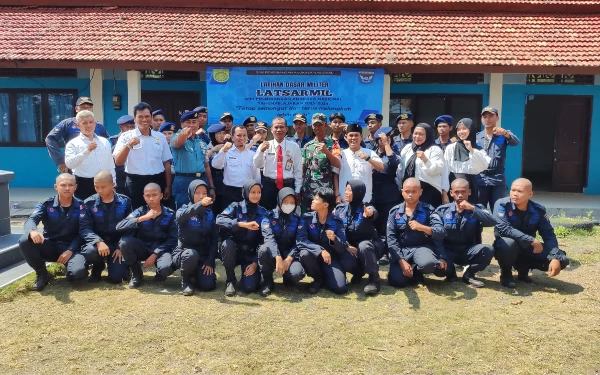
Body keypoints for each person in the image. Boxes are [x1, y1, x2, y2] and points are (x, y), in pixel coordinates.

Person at [493, 178, 569, 288]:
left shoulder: (538, 210)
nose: (515, 194)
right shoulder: (502, 204)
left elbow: (548, 234)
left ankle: (523, 270)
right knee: (507, 244)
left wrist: (555, 257)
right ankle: (506, 274)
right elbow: (504, 228)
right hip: (508, 247)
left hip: (528, 248)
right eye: (513, 190)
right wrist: (532, 240)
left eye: (519, 191)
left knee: (563, 259)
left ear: (530, 194)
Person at [18, 174, 88, 291]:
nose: (67, 188)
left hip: (72, 248)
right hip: (50, 245)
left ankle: (71, 268)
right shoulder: (46, 204)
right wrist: (33, 231)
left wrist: (70, 250)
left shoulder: (82, 206)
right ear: (56, 186)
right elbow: (31, 219)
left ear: (75, 187)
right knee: (25, 240)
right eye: (63, 185)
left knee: (78, 275)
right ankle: (42, 274)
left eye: (70, 185)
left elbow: (84, 232)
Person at [434, 178, 496, 288]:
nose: (460, 195)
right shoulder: (442, 210)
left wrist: (472, 209)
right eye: (457, 192)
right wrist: (441, 256)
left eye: (463, 191)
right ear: (451, 193)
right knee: (438, 270)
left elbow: (492, 221)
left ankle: (469, 274)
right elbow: (436, 235)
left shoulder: (477, 208)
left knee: (488, 250)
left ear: (469, 192)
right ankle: (450, 272)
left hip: (468, 250)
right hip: (448, 251)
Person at [386, 178, 447, 287]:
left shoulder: (429, 209)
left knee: (428, 264)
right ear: (402, 192)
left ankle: (418, 271)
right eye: (407, 191)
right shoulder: (394, 212)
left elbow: (441, 232)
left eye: (414, 191)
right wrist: (401, 261)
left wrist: (423, 228)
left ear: (420, 192)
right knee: (398, 282)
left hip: (421, 248)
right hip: (401, 250)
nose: (410, 195)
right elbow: (391, 239)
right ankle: (407, 271)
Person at [113, 102, 173, 210]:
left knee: (158, 212)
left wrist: (168, 186)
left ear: (151, 118)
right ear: (135, 119)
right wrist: (128, 146)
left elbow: (166, 163)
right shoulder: (126, 137)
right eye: (140, 117)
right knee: (137, 213)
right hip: (135, 182)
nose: (144, 120)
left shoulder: (160, 137)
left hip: (157, 180)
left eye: (147, 116)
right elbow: (118, 162)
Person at [116, 183, 177, 288]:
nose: (151, 198)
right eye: (148, 196)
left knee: (166, 268)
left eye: (154, 195)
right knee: (125, 243)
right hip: (143, 247)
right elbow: (119, 226)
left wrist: (155, 254)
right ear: (144, 197)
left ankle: (160, 272)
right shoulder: (140, 211)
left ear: (161, 196)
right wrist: (143, 218)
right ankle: (137, 274)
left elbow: (173, 239)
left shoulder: (170, 214)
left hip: (161, 249)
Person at [216, 180, 268, 296]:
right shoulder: (235, 206)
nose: (256, 195)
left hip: (251, 253)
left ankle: (249, 277)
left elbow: (265, 239)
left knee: (249, 287)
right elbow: (219, 220)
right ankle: (230, 280)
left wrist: (255, 263)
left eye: (258, 192)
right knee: (227, 244)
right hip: (234, 251)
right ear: (245, 192)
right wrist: (241, 224)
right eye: (252, 192)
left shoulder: (263, 212)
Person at [79, 171, 132, 284]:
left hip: (117, 244)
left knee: (117, 278)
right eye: (96, 187)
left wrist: (121, 247)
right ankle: (97, 267)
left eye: (103, 187)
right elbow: (84, 228)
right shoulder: (89, 203)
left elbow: (131, 227)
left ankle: (124, 267)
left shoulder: (125, 202)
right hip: (98, 245)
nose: (99, 190)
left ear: (112, 185)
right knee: (89, 251)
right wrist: (98, 242)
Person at [297, 187, 350, 294]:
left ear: (325, 205)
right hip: (313, 256)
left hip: (330, 259)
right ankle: (317, 279)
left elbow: (343, 247)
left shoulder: (337, 221)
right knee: (304, 254)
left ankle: (327, 276)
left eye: (316, 199)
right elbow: (300, 240)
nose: (313, 201)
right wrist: (320, 250)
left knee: (341, 288)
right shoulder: (306, 218)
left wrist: (335, 239)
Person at [333, 180, 383, 295]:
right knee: (342, 255)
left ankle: (374, 279)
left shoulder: (367, 206)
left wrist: (369, 214)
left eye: (350, 190)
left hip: (370, 247)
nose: (346, 192)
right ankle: (358, 272)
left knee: (363, 246)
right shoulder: (340, 209)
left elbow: (373, 213)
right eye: (346, 189)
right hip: (351, 248)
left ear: (358, 192)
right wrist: (346, 246)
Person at [172, 180, 218, 295]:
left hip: (203, 255)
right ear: (191, 194)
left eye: (204, 193)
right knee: (192, 254)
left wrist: (210, 260)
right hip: (185, 253)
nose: (201, 196)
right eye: (197, 193)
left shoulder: (210, 213)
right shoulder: (182, 210)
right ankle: (186, 280)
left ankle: (196, 275)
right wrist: (200, 204)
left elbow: (214, 239)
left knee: (208, 285)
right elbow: (182, 216)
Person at [257, 188, 305, 296]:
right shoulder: (268, 216)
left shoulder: (298, 219)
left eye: (292, 202)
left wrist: (288, 259)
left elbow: (299, 241)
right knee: (263, 249)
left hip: (289, 254)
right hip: (273, 254)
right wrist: (277, 256)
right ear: (279, 201)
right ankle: (268, 281)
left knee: (297, 273)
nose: (289, 205)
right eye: (286, 201)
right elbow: (268, 238)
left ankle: (288, 277)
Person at [45, 96, 109, 173]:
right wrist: (61, 160)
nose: (86, 109)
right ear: (76, 109)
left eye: (89, 107)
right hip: (75, 167)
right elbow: (50, 139)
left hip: (95, 167)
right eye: (83, 107)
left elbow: (107, 144)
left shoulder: (99, 126)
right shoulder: (67, 124)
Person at [64, 110, 116, 201]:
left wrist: (113, 183)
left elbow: (110, 164)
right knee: (84, 212)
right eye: (84, 123)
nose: (88, 125)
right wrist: (87, 151)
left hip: (104, 183)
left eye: (91, 122)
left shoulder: (104, 142)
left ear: (95, 123)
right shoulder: (73, 143)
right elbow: (70, 164)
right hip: (83, 184)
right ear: (78, 125)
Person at [476, 106, 521, 210]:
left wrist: (505, 133)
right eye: (485, 117)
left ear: (497, 118)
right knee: (479, 210)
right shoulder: (477, 137)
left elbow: (516, 142)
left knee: (499, 210)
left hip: (497, 179)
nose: (487, 119)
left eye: (491, 116)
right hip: (480, 178)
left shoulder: (503, 135)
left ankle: (499, 227)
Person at [253, 117, 302, 210]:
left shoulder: (294, 147)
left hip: (287, 185)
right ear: (271, 130)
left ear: (286, 129)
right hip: (269, 186)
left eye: (281, 127)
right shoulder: (264, 145)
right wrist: (261, 152)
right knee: (267, 215)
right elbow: (257, 165)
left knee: (288, 213)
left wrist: (298, 189)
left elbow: (298, 170)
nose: (279, 130)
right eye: (276, 127)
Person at [170, 110, 215, 209]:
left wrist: (211, 187)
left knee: (203, 211)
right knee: (184, 212)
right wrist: (184, 134)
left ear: (198, 124)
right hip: (184, 181)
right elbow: (178, 142)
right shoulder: (176, 137)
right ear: (182, 124)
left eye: (194, 122)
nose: (191, 125)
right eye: (188, 122)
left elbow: (206, 166)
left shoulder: (202, 142)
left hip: (201, 180)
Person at [371, 127, 402, 266]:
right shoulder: (372, 153)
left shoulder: (394, 154)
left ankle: (387, 253)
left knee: (386, 226)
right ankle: (378, 251)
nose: (384, 141)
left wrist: (387, 146)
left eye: (387, 139)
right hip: (374, 195)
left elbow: (392, 166)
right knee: (376, 226)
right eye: (381, 139)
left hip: (389, 195)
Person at [211, 126, 261, 211]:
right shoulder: (226, 152)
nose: (242, 138)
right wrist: (223, 150)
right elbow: (215, 165)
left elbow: (256, 176)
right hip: (230, 192)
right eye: (239, 135)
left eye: (244, 135)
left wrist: (257, 193)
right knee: (229, 220)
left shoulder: (252, 154)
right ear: (232, 137)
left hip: (248, 192)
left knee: (247, 219)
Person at [443, 118, 491, 204]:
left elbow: (484, 165)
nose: (461, 132)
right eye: (459, 129)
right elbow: (445, 170)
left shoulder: (478, 149)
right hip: (454, 185)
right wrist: (444, 192)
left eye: (464, 128)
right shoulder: (451, 148)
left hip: (471, 187)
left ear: (471, 130)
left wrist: (471, 150)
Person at [300, 113, 341, 212]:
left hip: (324, 192)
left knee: (324, 219)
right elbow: (303, 169)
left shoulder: (333, 144)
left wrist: (327, 152)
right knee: (307, 220)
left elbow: (338, 164)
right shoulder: (307, 146)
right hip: (308, 191)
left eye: (320, 124)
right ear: (311, 126)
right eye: (315, 125)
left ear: (326, 125)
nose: (317, 127)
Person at [335, 123, 384, 204]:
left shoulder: (369, 153)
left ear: (361, 137)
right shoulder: (341, 154)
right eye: (351, 135)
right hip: (345, 199)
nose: (353, 138)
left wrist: (367, 158)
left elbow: (381, 168)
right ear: (346, 137)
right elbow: (335, 175)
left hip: (364, 199)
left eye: (356, 135)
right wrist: (337, 195)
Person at [400, 123, 447, 207]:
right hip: (410, 191)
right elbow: (401, 169)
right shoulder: (408, 148)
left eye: (421, 134)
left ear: (427, 135)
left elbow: (438, 170)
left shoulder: (434, 149)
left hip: (429, 190)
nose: (417, 136)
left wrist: (425, 160)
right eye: (415, 133)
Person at [206, 123, 230, 215]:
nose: (221, 136)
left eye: (223, 133)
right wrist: (212, 150)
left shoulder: (226, 146)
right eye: (219, 133)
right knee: (212, 210)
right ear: (212, 135)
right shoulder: (208, 146)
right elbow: (203, 161)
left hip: (224, 183)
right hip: (212, 182)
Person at [109, 115, 135, 195]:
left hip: (132, 177)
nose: (130, 129)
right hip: (118, 177)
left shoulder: (138, 140)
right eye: (127, 127)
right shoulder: (112, 141)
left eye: (132, 127)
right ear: (121, 127)